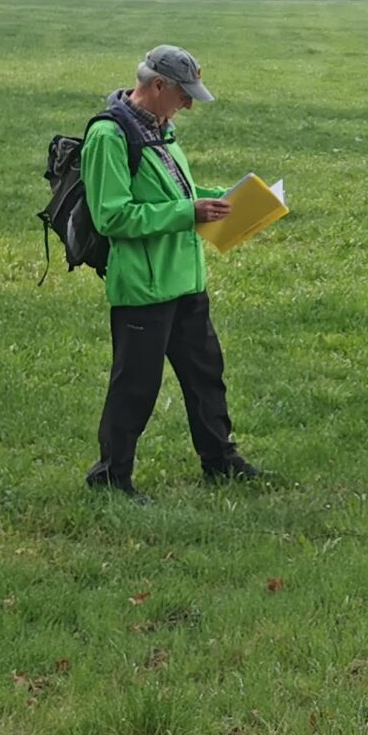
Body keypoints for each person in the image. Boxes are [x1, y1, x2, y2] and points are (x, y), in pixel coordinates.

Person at [82, 46, 266, 502]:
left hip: (186, 280)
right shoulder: (109, 136)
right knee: (135, 387)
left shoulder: (162, 130)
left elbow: (174, 192)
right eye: (184, 95)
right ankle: (111, 477)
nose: (188, 104)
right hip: (144, 287)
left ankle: (219, 460)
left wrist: (223, 200)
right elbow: (112, 216)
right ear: (158, 85)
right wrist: (189, 212)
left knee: (206, 375)